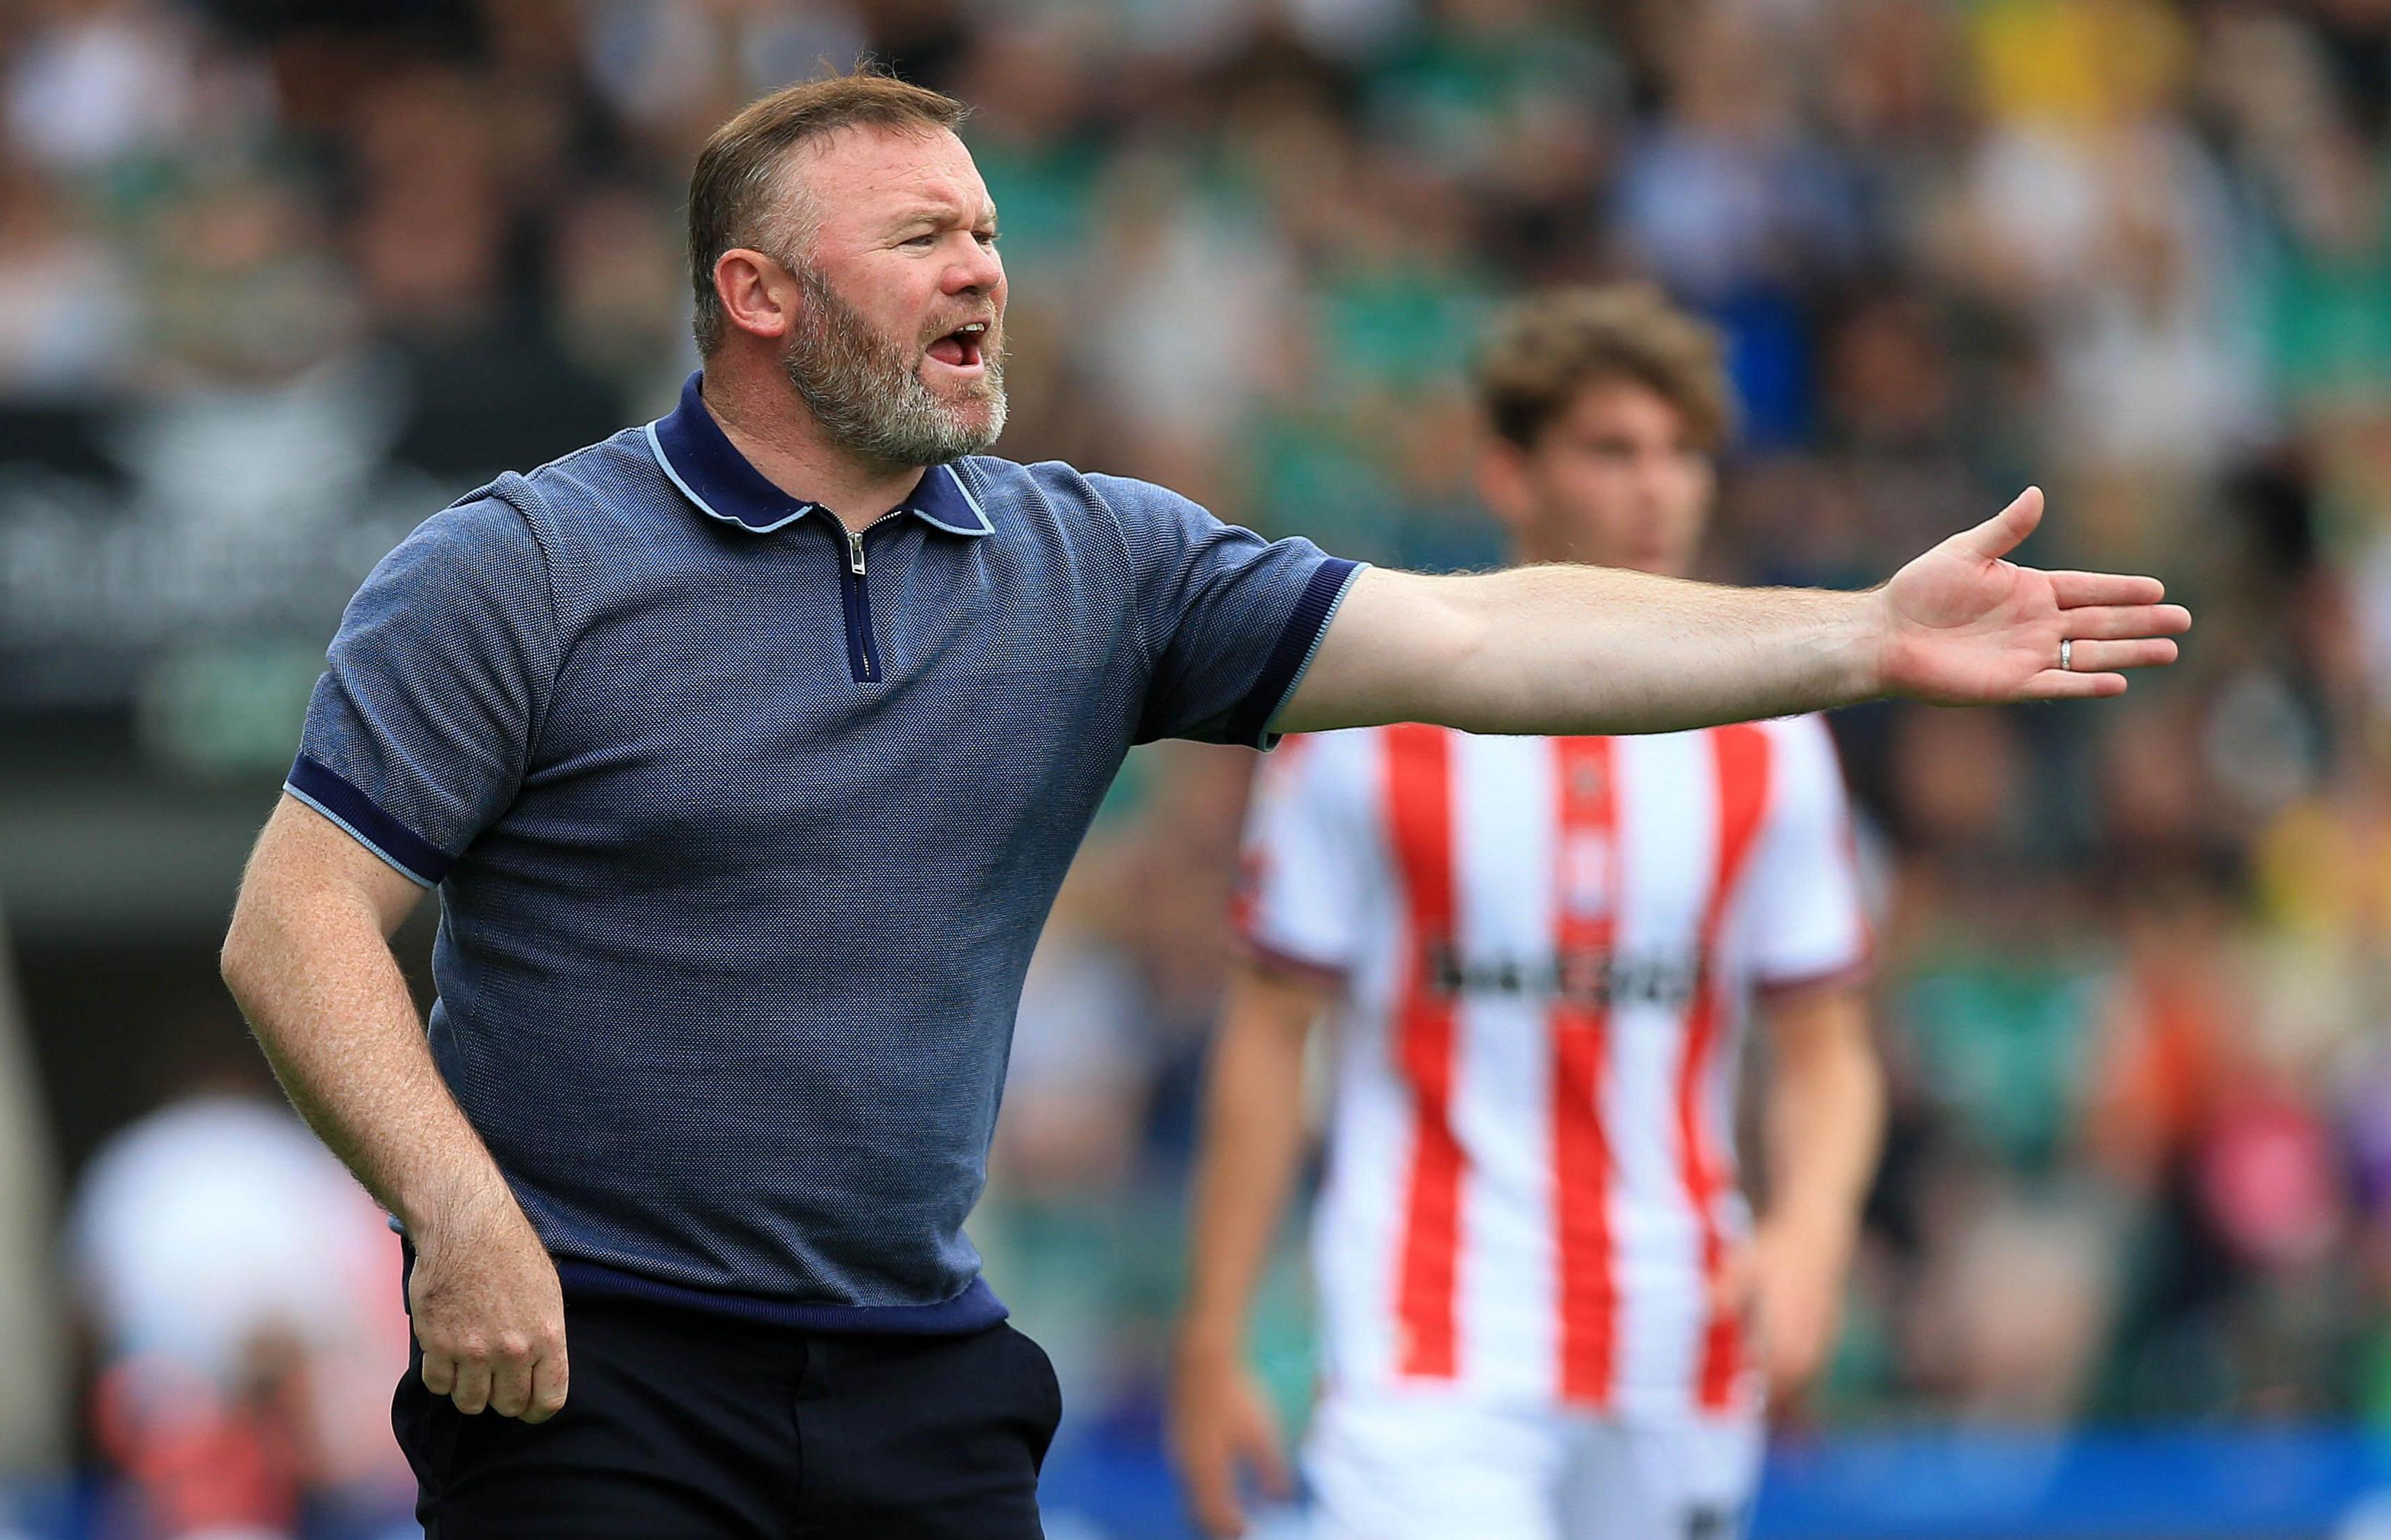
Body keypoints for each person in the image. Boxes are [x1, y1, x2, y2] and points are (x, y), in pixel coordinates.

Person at [216, 74, 2184, 1539]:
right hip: (589, 1369)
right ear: (754, 292)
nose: (984, 263)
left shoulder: (1100, 566)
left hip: (915, 1365)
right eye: (919, 238)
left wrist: (1857, 636)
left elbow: (1493, 644)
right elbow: (296, 926)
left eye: (987, 228)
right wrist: (456, 1216)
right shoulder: (520, 568)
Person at [1168, 286, 1885, 1540]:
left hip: (1683, 1328)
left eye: (1683, 455)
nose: (1659, 488)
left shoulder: (1774, 739)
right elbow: (1270, 1036)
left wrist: (1814, 1229)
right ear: (1510, 475)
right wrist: (1216, 1335)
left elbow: (1827, 1052)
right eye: (1614, 451)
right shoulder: (1370, 712)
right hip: (1430, 1333)